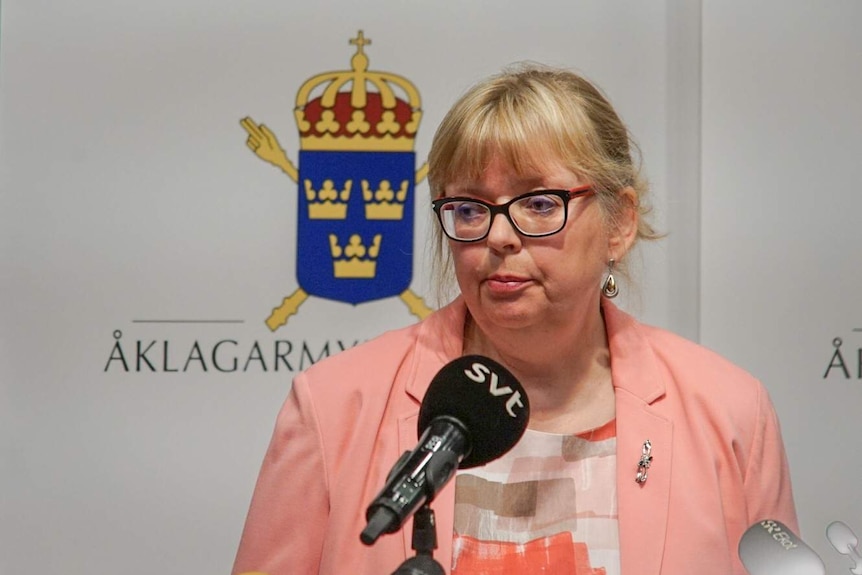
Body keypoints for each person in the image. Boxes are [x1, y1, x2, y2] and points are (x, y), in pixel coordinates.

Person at [231, 64, 797, 575]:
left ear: (619, 224)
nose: (499, 236)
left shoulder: (729, 411)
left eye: (539, 204)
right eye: (471, 209)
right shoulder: (334, 406)